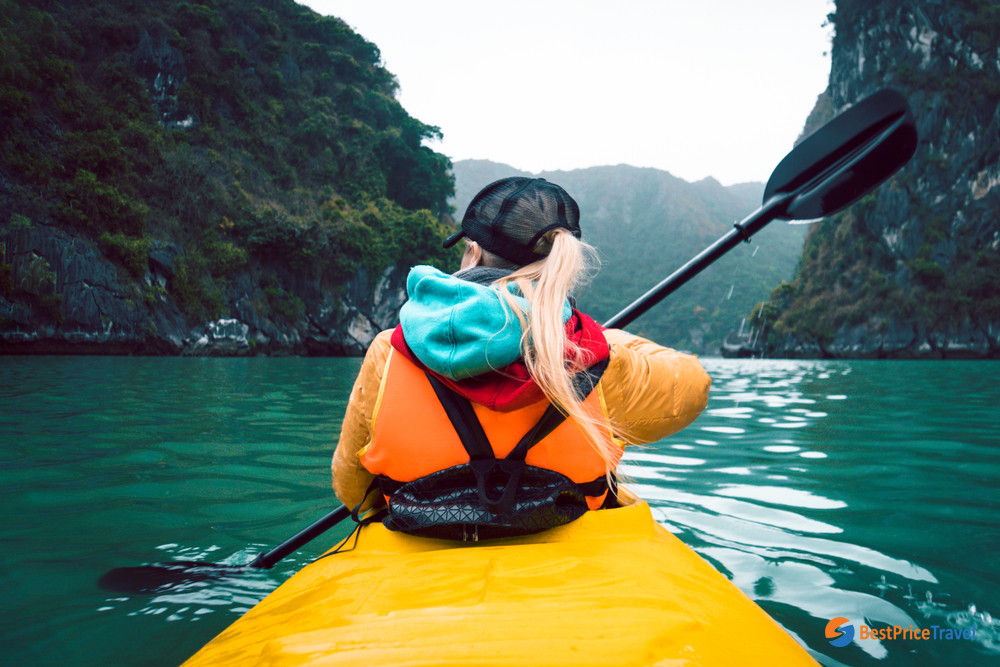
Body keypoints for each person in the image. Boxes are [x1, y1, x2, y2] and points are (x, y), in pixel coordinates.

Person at [332, 177, 710, 526]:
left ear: (473, 253)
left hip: (422, 554)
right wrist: (607, 340)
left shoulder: (389, 350)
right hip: (567, 562)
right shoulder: (594, 356)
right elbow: (694, 388)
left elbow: (352, 488)